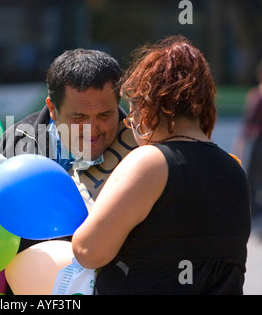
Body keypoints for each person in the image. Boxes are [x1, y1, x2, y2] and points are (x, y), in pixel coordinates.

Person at [72, 36, 252, 294]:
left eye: (132, 114)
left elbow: (88, 251)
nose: (130, 123)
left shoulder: (150, 162)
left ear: (148, 106)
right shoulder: (234, 170)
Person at [0, 48, 137, 252]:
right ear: (53, 109)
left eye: (104, 115)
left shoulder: (142, 148)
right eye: (79, 117)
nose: (92, 128)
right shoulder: (16, 143)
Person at [234, 60, 262, 216]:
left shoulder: (256, 96)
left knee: (252, 180)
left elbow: (248, 125)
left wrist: (241, 144)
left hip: (257, 143)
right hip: (257, 143)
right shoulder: (256, 95)